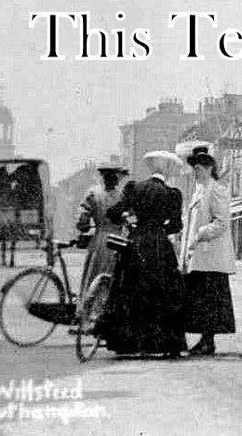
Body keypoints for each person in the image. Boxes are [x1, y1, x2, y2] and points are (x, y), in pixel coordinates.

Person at [99, 151, 187, 358]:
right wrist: (160, 227)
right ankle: (159, 343)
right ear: (166, 169)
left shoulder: (135, 188)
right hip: (158, 245)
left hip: (136, 242)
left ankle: (129, 342)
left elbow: (113, 212)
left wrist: (129, 220)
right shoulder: (172, 193)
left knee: (130, 288)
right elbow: (176, 225)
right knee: (162, 290)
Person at [180, 149, 236, 357]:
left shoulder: (216, 190)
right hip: (200, 255)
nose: (196, 172)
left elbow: (221, 222)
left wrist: (200, 234)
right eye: (194, 169)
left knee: (209, 301)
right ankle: (205, 340)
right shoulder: (199, 191)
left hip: (211, 256)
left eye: (199, 168)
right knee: (201, 300)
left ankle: (208, 341)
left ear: (210, 168)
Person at [75, 166, 127, 308]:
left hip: (100, 239)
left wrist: (84, 226)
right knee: (112, 274)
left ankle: (88, 307)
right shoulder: (122, 195)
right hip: (118, 239)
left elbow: (82, 219)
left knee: (95, 273)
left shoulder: (93, 193)